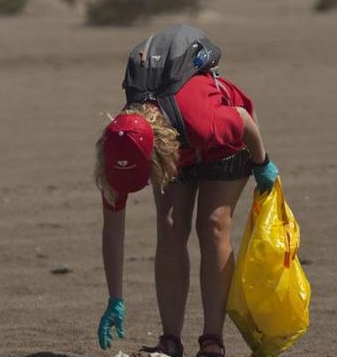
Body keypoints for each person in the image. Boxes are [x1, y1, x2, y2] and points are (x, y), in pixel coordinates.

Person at [94, 27, 279, 357]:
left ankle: (212, 341)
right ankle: (170, 340)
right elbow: (113, 229)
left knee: (213, 225)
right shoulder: (120, 150)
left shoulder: (202, 122)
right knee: (169, 227)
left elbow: (243, 119)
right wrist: (115, 299)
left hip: (227, 147)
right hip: (171, 147)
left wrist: (263, 164)